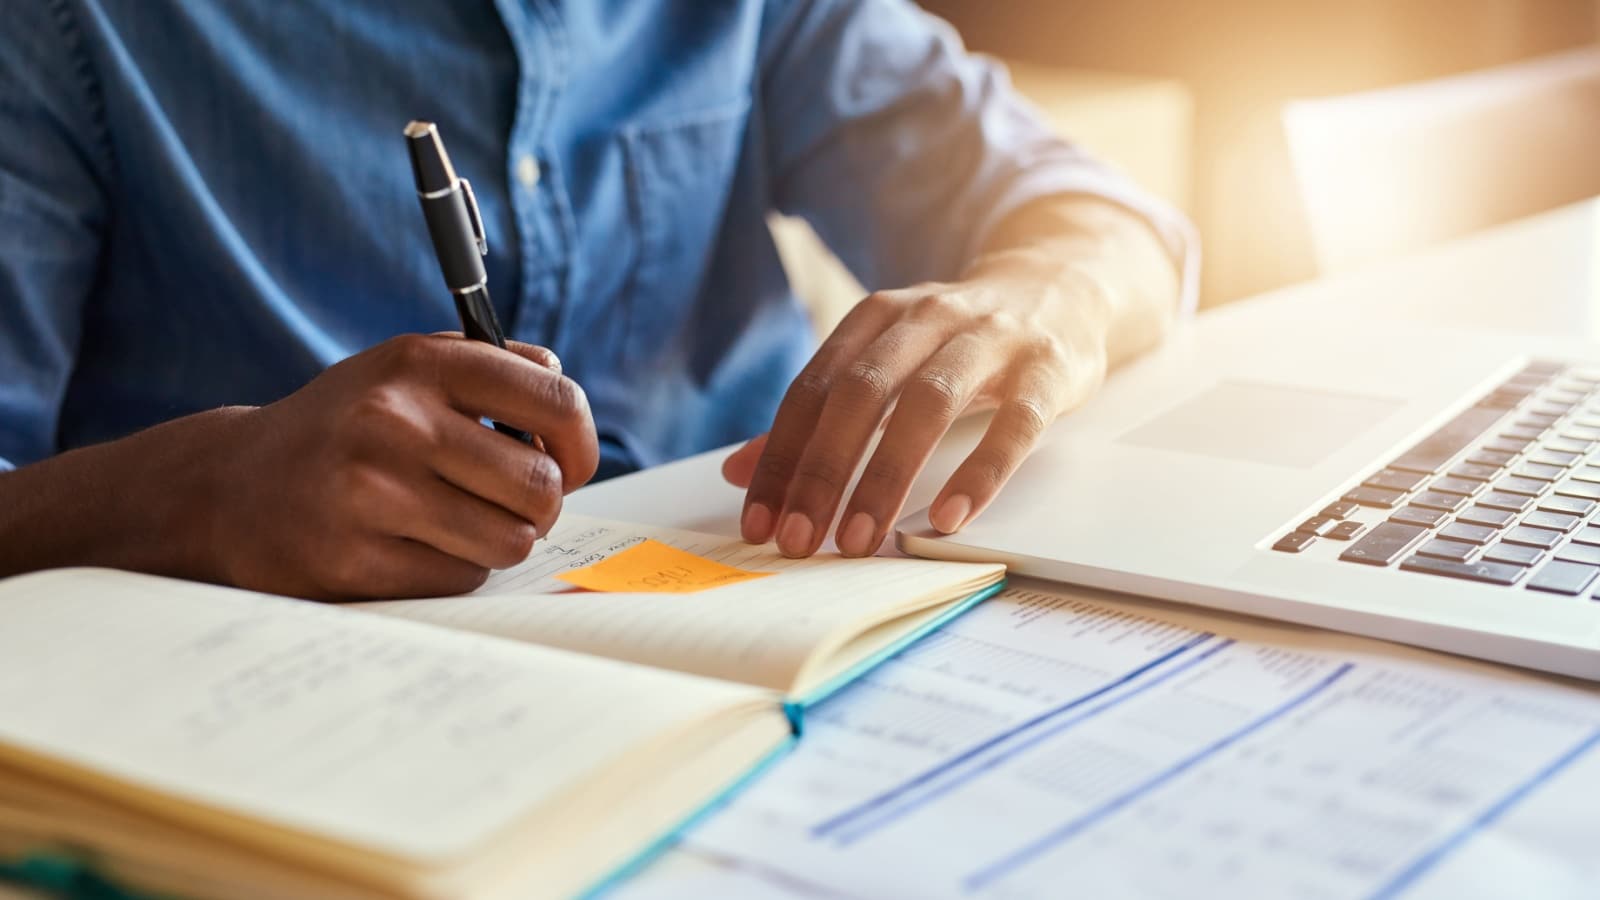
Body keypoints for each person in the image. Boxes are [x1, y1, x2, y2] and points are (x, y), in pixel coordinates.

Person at [0, 1, 1194, 600]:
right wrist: (198, 491)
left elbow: (1111, 223)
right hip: (313, 677)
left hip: (780, 594)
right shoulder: (64, 30)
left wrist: (1049, 293)